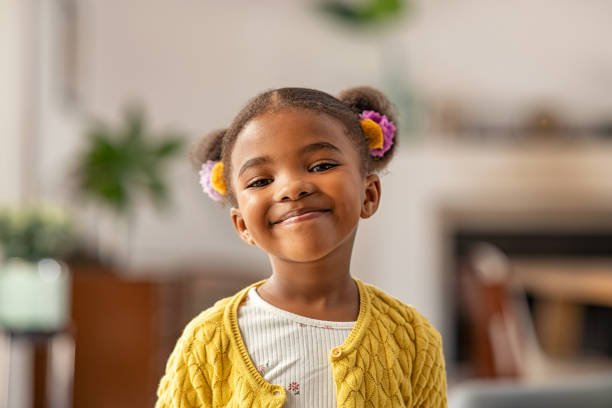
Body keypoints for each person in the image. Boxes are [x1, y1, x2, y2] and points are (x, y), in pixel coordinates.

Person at [156, 86, 447, 407]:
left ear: (369, 194)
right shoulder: (206, 343)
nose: (291, 188)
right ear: (242, 225)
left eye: (321, 166)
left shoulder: (413, 338)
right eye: (260, 181)